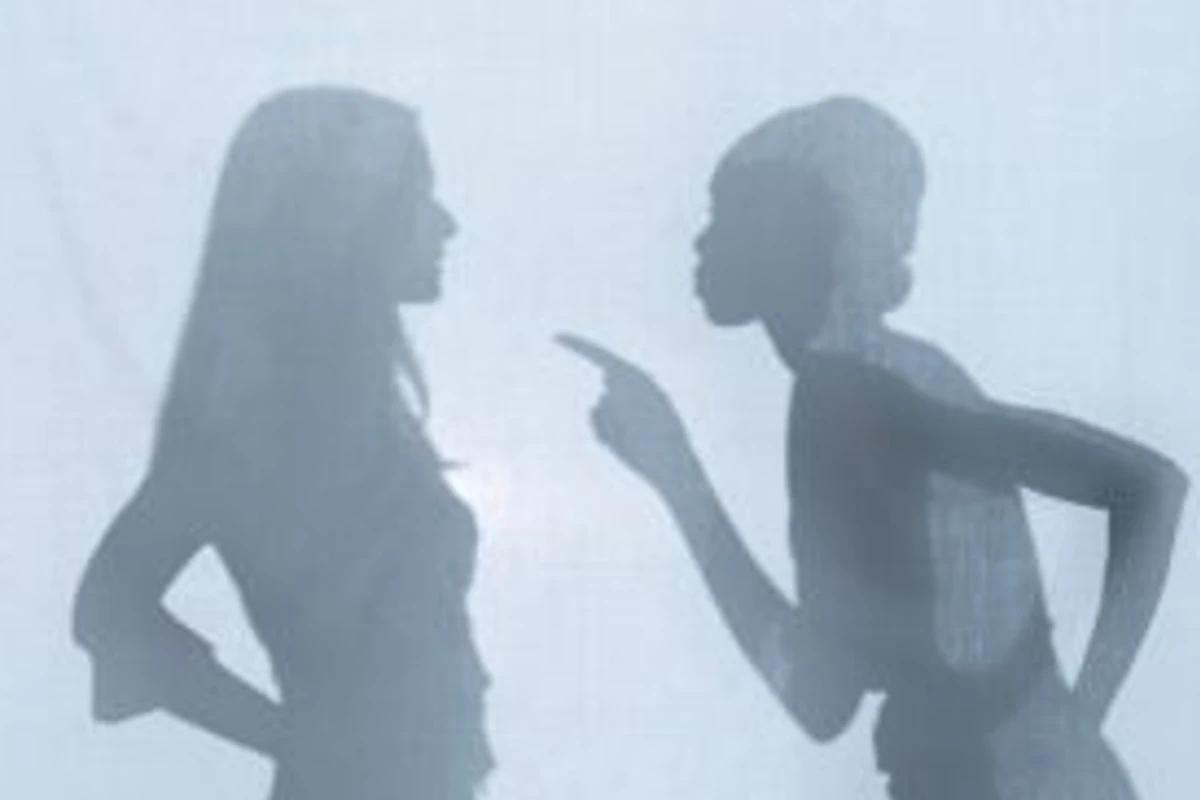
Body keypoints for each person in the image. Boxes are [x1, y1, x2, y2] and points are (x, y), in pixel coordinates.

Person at [562, 97, 1187, 799]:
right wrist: (1075, 724)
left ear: (801, 231)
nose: (702, 241)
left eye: (730, 212)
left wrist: (676, 473)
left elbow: (818, 697)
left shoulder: (853, 396)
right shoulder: (870, 381)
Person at [72, 87, 492, 800]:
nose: (445, 223)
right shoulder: (251, 430)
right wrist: (299, 740)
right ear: (348, 217)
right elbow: (109, 608)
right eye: (418, 194)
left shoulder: (359, 422)